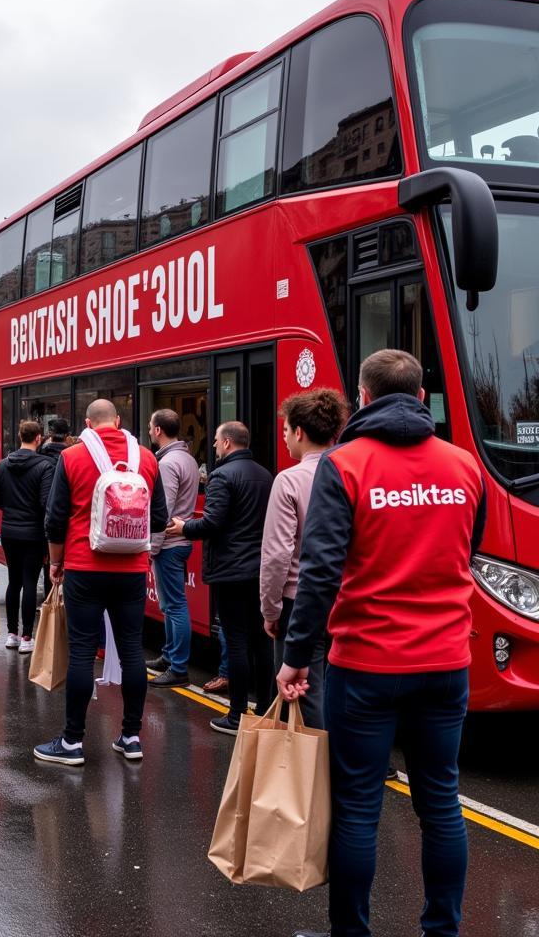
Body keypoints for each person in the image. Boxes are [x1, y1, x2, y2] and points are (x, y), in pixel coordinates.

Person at [280, 351, 486, 937]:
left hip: (366, 663)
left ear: (364, 400)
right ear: (423, 399)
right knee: (441, 803)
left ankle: (352, 931)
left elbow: (318, 574)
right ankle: (442, 930)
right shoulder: (464, 466)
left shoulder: (344, 466)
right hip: (446, 661)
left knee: (358, 808)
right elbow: (467, 553)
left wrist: (295, 658)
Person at [34, 399, 167, 766]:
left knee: (81, 651)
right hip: (132, 571)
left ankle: (73, 741)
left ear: (88, 424)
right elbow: (159, 520)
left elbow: (54, 519)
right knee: (131, 651)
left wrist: (56, 562)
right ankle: (131, 736)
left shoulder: (72, 457)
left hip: (83, 565)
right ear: (119, 421)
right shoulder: (147, 458)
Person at [166, 420, 273, 734]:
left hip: (230, 571)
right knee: (261, 641)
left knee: (237, 641)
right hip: (259, 569)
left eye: (215, 441)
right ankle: (264, 708)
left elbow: (213, 523)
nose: (213, 446)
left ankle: (237, 714)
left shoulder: (222, 475)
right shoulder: (265, 474)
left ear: (227, 442)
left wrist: (184, 527)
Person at [259, 388, 348, 729]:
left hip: (299, 600)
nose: (283, 439)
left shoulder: (289, 480)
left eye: (285, 431)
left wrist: (270, 610)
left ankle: (317, 769)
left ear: (299, 432)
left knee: (306, 689)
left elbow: (277, 554)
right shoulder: (350, 471)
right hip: (346, 597)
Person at [0, 420, 54, 654]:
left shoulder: (4, 464)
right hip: (34, 532)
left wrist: (10, 506)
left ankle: (12, 634)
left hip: (9, 530)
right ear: (38, 438)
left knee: (13, 581)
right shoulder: (46, 465)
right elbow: (46, 502)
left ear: (19, 436)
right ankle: (27, 636)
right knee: (29, 582)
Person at [146, 409, 200, 688]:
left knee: (175, 606)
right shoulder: (187, 458)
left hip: (169, 543)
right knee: (169, 605)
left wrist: (151, 548)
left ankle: (178, 667)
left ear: (158, 431)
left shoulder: (167, 463)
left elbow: (162, 511)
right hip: (181, 541)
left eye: (150, 426)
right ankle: (168, 656)